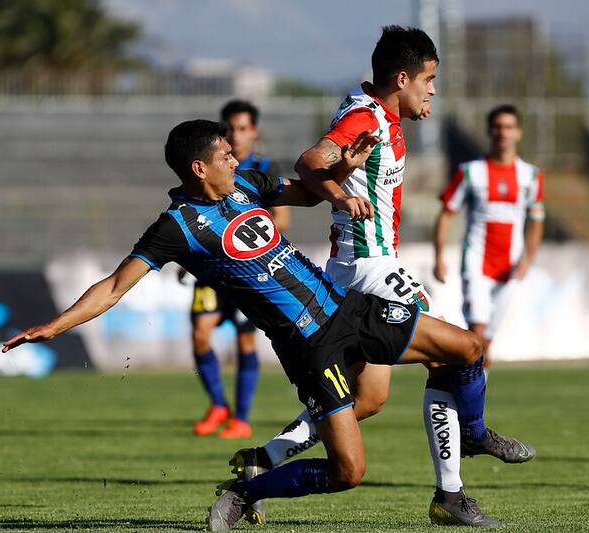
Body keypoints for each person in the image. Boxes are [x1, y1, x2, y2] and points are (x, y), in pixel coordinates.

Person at [2, 119, 497, 531]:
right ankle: (245, 492)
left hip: (347, 308)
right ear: (199, 168)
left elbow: (308, 195)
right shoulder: (176, 227)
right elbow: (113, 286)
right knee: (348, 472)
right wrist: (55, 325)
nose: (235, 161)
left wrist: (342, 172)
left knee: (467, 348)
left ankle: (472, 435)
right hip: (309, 347)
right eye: (225, 156)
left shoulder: (248, 184)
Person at [228, 26, 533, 528]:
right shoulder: (364, 116)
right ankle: (457, 477)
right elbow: (310, 162)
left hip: (356, 269)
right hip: (370, 267)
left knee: (368, 398)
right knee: (456, 353)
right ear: (402, 79)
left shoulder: (381, 114)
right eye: (428, 80)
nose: (433, 89)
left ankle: (265, 460)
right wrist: (341, 196)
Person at [187, 100, 290, 439]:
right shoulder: (207, 167)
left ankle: (241, 419)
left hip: (248, 272)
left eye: (243, 128)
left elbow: (282, 218)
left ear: (254, 131)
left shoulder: (263, 168)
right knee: (200, 333)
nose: (236, 135)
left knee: (246, 341)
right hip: (212, 269)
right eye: (230, 128)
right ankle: (218, 404)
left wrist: (250, 239)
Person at [433, 104, 545, 366]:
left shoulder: (530, 176)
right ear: (489, 131)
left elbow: (536, 220)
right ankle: (468, 392)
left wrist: (528, 259)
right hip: (477, 260)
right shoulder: (471, 172)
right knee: (476, 334)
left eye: (509, 127)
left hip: (511, 265)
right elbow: (446, 213)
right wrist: (438, 256)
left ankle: (476, 387)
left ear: (518, 132)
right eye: (498, 127)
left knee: (485, 344)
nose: (503, 133)